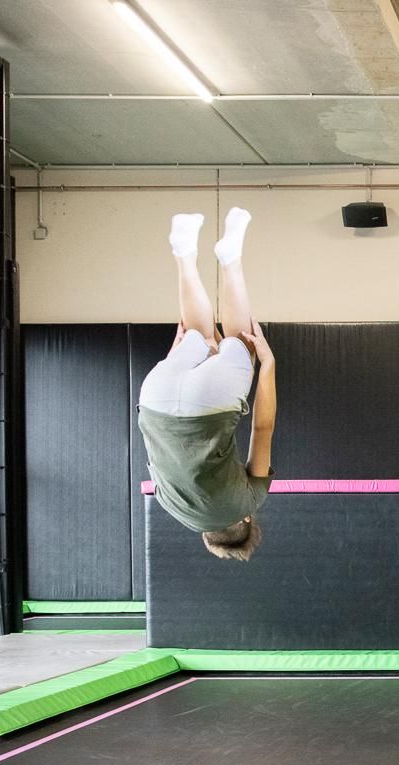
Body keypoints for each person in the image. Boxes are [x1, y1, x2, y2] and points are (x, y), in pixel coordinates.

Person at [137, 208, 276, 561]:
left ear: (246, 520)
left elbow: (263, 427)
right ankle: (184, 255)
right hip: (154, 401)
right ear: (207, 534)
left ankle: (230, 259)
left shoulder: (249, 500)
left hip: (208, 409)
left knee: (241, 343)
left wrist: (268, 366)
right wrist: (175, 355)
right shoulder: (172, 506)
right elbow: (162, 446)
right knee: (200, 336)